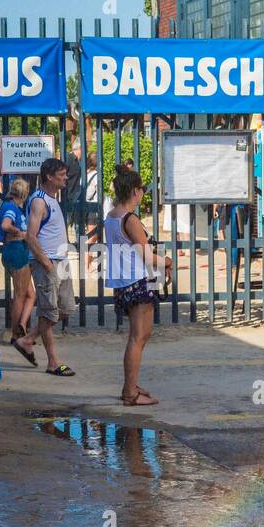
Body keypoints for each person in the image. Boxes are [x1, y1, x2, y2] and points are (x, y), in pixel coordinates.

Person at [105, 163, 172, 406]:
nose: (143, 192)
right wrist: (166, 261)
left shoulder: (111, 216)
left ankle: (131, 386)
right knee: (138, 337)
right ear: (134, 191)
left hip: (125, 281)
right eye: (141, 189)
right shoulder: (130, 219)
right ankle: (130, 392)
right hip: (138, 280)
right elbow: (145, 255)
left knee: (139, 336)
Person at [16, 157, 76, 376]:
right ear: (49, 177)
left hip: (60, 261)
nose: (65, 178)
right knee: (48, 311)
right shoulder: (39, 200)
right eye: (61, 174)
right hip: (48, 262)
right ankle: (53, 362)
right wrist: (45, 262)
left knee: (66, 308)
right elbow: (31, 236)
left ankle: (28, 339)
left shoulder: (52, 198)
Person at [0, 178, 37, 362]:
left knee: (30, 294)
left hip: (16, 250)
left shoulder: (14, 207)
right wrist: (19, 233)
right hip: (15, 250)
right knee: (21, 294)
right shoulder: (11, 207)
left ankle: (21, 325)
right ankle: (15, 334)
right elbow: (5, 225)